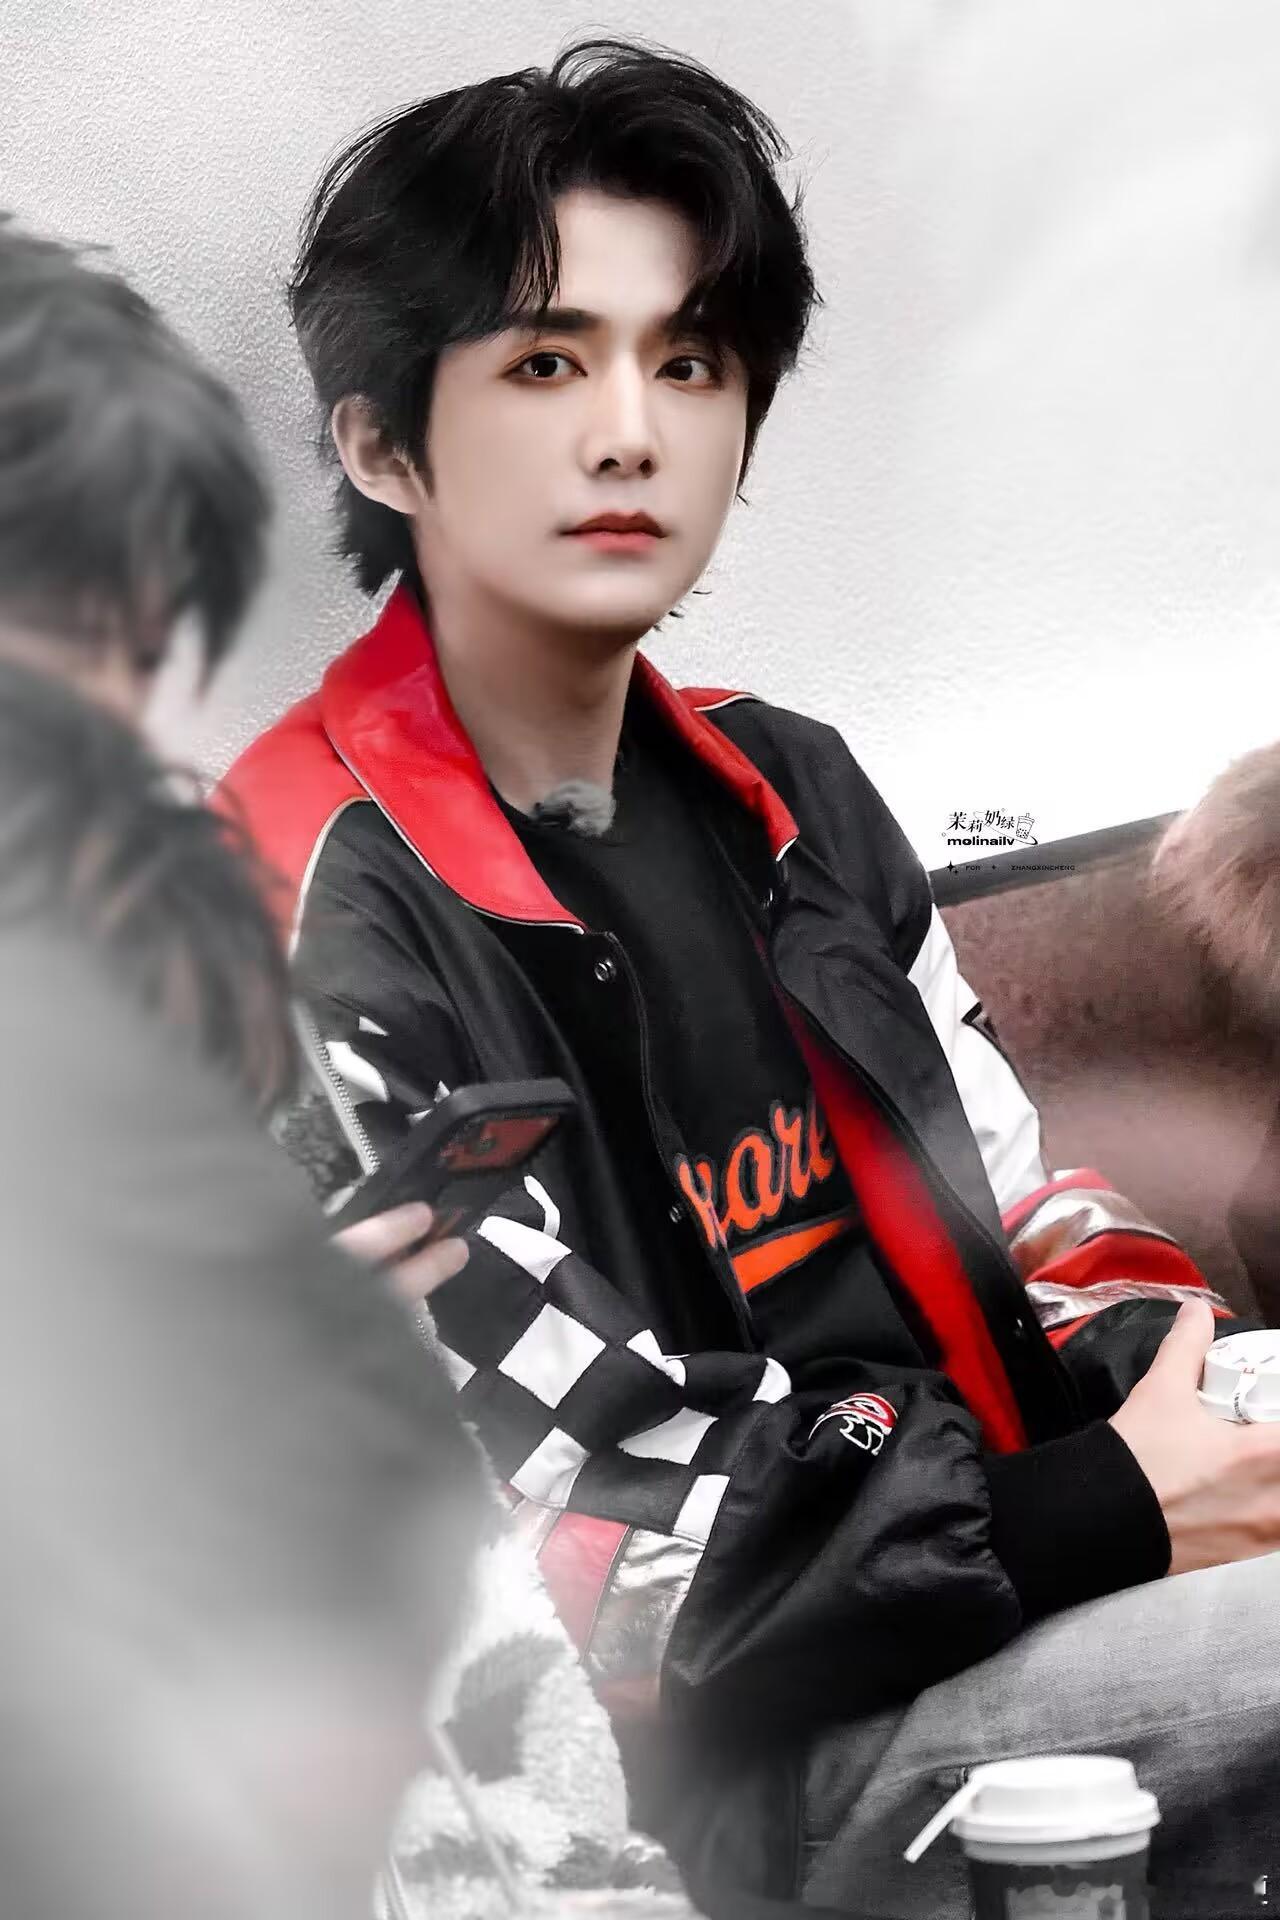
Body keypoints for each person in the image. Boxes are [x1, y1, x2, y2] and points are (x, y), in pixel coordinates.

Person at [220, 40, 1280, 1917]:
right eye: (547, 365)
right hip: (747, 1768)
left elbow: (1024, 1196)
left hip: (1016, 1562)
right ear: (383, 447)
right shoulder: (302, 911)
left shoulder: (789, 787)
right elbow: (557, 1565)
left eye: (692, 362)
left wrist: (1182, 1400)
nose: (632, 433)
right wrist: (1109, 1507)